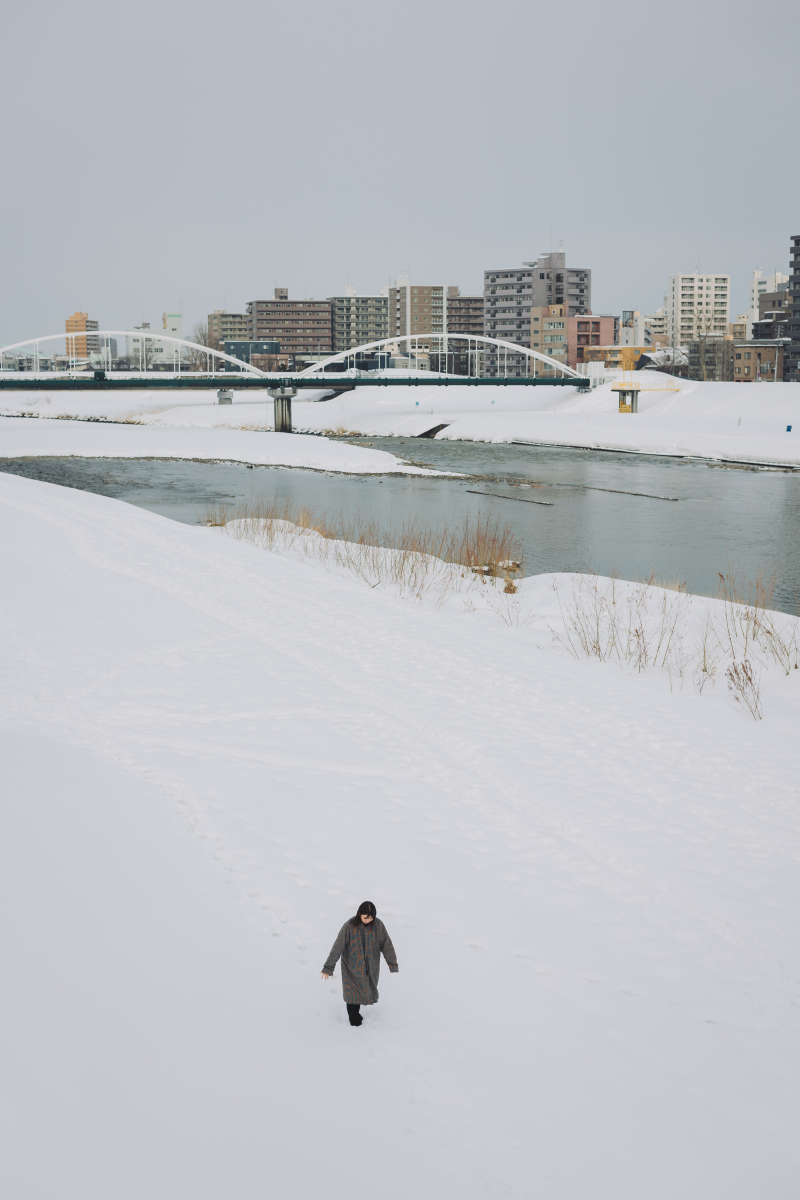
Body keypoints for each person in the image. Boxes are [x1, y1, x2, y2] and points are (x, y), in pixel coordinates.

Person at [321, 901, 398, 1026]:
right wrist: (328, 967)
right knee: (352, 994)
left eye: (371, 918)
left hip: (371, 966)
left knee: (366, 989)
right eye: (365, 917)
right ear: (359, 913)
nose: (368, 920)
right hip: (351, 967)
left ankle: (357, 1017)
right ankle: (355, 1022)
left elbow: (386, 944)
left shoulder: (378, 925)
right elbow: (338, 947)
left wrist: (392, 963)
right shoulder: (349, 926)